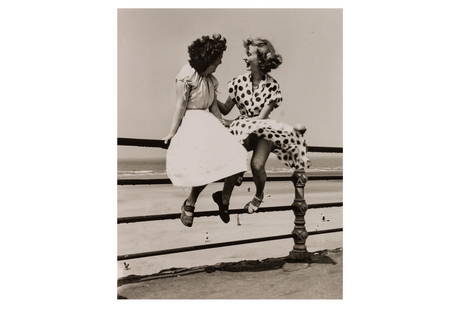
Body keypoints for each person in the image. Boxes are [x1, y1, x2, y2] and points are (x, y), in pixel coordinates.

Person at [213, 37, 310, 214]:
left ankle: (258, 196)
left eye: (249, 54)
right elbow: (226, 109)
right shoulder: (238, 82)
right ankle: (224, 199)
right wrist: (211, 96)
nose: (245, 57)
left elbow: (260, 120)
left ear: (260, 60)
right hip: (242, 130)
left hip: (263, 131)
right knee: (235, 160)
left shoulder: (272, 86)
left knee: (257, 165)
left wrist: (233, 123)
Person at [163, 34, 247, 227]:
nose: (221, 62)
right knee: (206, 162)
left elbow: (213, 108)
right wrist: (172, 132)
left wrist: (224, 122)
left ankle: (223, 197)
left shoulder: (211, 81)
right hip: (193, 122)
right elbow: (180, 106)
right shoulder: (187, 75)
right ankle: (190, 203)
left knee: (237, 154)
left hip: (209, 122)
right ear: (209, 59)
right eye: (218, 59)